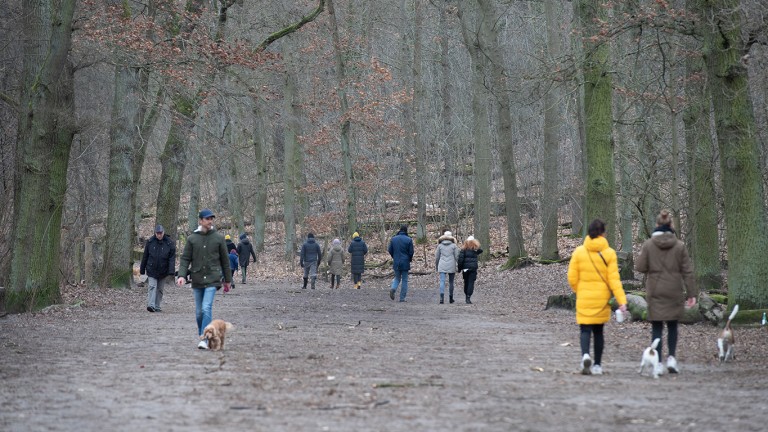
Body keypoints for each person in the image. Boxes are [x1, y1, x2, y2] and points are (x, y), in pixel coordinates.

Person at [635, 210, 698, 375]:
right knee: (672, 325)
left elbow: (640, 267)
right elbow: (687, 272)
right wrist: (692, 294)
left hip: (655, 291)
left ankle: (658, 363)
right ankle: (671, 358)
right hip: (674, 291)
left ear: (656, 225)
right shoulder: (680, 246)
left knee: (656, 327)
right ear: (671, 226)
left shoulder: (648, 244)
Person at [567, 219, 628, 375]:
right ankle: (598, 365)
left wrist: (578, 290)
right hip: (601, 299)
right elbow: (614, 280)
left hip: (584, 297)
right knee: (599, 332)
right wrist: (622, 301)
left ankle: (585, 356)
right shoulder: (609, 253)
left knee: (585, 330)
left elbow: (571, 277)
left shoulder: (579, 252)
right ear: (602, 233)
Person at [176, 209, 232, 350]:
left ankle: (205, 340)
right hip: (197, 279)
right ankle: (203, 334)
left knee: (207, 308)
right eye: (207, 219)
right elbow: (185, 259)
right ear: (200, 220)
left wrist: (227, 280)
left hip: (213, 279)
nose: (210, 221)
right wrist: (181, 275)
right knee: (199, 312)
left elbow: (225, 261)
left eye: (211, 218)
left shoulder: (218, 238)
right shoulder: (192, 239)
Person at [139, 224, 176, 312]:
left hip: (163, 270)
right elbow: (145, 256)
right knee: (152, 286)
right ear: (155, 233)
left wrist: (171, 271)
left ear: (163, 232)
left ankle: (157, 306)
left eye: (160, 233)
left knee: (160, 289)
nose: (159, 235)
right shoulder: (150, 242)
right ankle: (151, 305)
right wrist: (142, 269)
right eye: (157, 233)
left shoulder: (170, 243)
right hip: (151, 269)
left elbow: (172, 258)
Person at [388, 224, 414, 302]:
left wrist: (394, 257)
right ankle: (402, 298)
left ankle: (393, 288)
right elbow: (411, 252)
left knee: (397, 278)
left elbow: (390, 250)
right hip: (405, 262)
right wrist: (409, 259)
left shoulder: (393, 239)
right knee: (405, 280)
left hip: (396, 261)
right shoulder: (409, 240)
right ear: (406, 230)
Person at [435, 231, 459, 304]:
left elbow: (437, 257)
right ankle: (451, 298)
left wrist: (437, 266)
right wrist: (458, 265)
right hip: (451, 265)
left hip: (442, 265)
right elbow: (457, 256)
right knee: (451, 282)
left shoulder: (439, 246)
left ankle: (441, 298)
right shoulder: (454, 246)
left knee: (442, 281)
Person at [457, 235, 483, 304]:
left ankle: (466, 295)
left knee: (466, 282)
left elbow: (460, 260)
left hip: (465, 268)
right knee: (471, 282)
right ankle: (468, 296)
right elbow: (481, 250)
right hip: (473, 268)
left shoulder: (463, 250)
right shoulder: (475, 250)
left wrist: (459, 268)